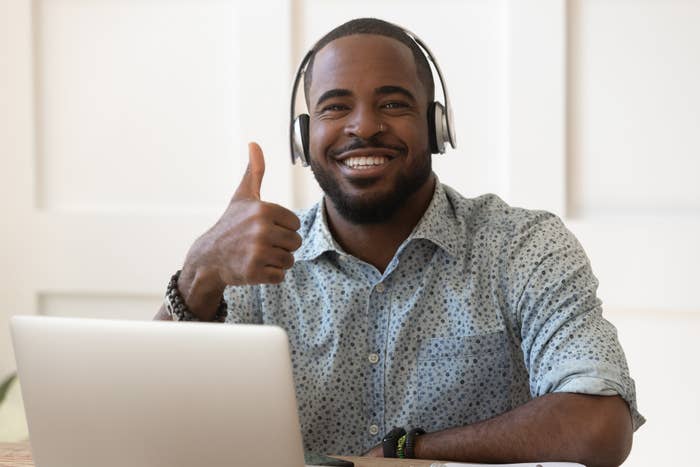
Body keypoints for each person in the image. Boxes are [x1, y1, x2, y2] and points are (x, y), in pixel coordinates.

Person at [155, 18, 644, 466]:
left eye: (392, 103)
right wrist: (200, 271)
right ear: (304, 137)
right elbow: (147, 421)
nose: (365, 126)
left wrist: (409, 450)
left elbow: (598, 426)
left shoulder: (522, 247)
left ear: (435, 127)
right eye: (335, 106)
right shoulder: (252, 262)